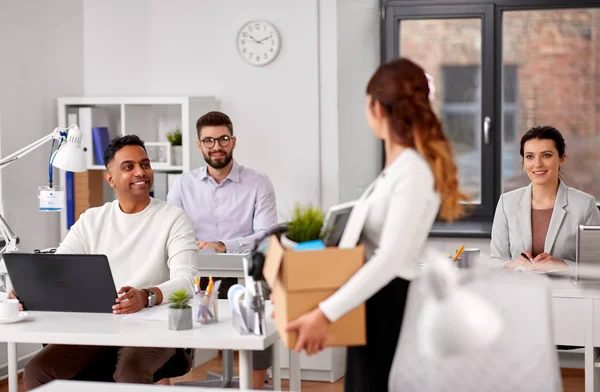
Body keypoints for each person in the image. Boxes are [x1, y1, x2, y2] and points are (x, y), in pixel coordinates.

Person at [278, 58, 468, 392]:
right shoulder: (394, 171)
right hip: (371, 303)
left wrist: (324, 314)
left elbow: (390, 258)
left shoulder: (413, 172)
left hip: (389, 306)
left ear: (377, 107)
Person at [13, 135, 198, 390]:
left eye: (145, 164)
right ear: (110, 178)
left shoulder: (173, 218)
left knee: (129, 373)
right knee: (37, 372)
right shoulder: (92, 219)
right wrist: (27, 291)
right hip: (99, 327)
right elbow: (55, 269)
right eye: (128, 167)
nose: (140, 172)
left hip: (153, 329)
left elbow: (187, 282)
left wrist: (147, 296)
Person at [167, 111, 277, 389]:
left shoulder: (258, 183)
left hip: (244, 272)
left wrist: (223, 246)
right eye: (209, 141)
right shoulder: (183, 184)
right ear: (199, 145)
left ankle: (254, 385)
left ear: (233, 141)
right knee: (169, 302)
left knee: (259, 303)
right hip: (196, 273)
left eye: (223, 139)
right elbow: (167, 230)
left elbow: (265, 236)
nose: (217, 147)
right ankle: (163, 382)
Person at [491, 125, 600, 271]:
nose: (537, 164)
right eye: (530, 156)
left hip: (567, 292)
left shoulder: (585, 205)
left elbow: (595, 267)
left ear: (561, 159)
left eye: (546, 155)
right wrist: (514, 264)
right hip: (517, 290)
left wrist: (563, 265)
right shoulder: (507, 203)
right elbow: (496, 261)